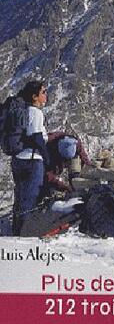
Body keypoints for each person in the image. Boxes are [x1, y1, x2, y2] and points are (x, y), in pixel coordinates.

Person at [12, 81, 49, 234]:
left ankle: (16, 229)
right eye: (43, 92)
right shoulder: (35, 112)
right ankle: (25, 234)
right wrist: (46, 156)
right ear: (35, 97)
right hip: (32, 160)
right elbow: (36, 136)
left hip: (18, 159)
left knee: (20, 195)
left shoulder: (22, 110)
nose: (46, 95)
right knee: (31, 197)